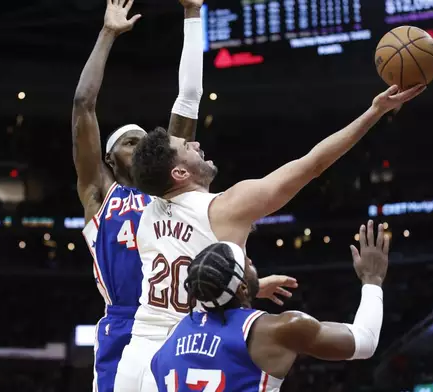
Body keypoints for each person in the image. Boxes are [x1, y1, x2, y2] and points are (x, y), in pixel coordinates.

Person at [123, 82, 423, 391]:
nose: (196, 145)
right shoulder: (226, 207)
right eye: (187, 147)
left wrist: (248, 285)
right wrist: (376, 111)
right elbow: (313, 164)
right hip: (205, 345)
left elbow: (179, 259)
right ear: (180, 173)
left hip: (143, 355)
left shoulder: (146, 214)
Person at [72, 0, 294, 391]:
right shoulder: (99, 196)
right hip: (126, 327)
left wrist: (193, 14)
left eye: (145, 139)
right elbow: (83, 106)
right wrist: (108, 33)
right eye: (129, 141)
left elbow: (188, 97)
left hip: (186, 324)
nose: (141, 143)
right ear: (109, 159)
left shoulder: (169, 192)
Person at [150, 220, 389, 392]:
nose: (252, 262)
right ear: (242, 288)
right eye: (248, 263)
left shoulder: (170, 338)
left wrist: (250, 288)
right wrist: (372, 280)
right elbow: (365, 341)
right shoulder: (280, 329)